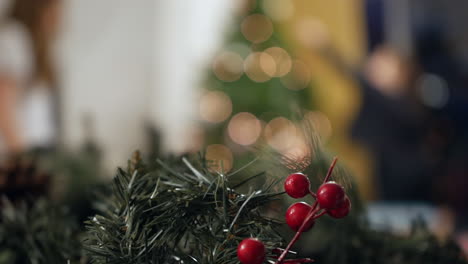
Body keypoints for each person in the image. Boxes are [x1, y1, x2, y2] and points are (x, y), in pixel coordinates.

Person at [0, 0, 62, 156]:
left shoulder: (31, 43)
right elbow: (4, 110)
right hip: (18, 160)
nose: (59, 18)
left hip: (35, 154)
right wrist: (26, 162)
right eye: (54, 9)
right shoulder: (13, 38)